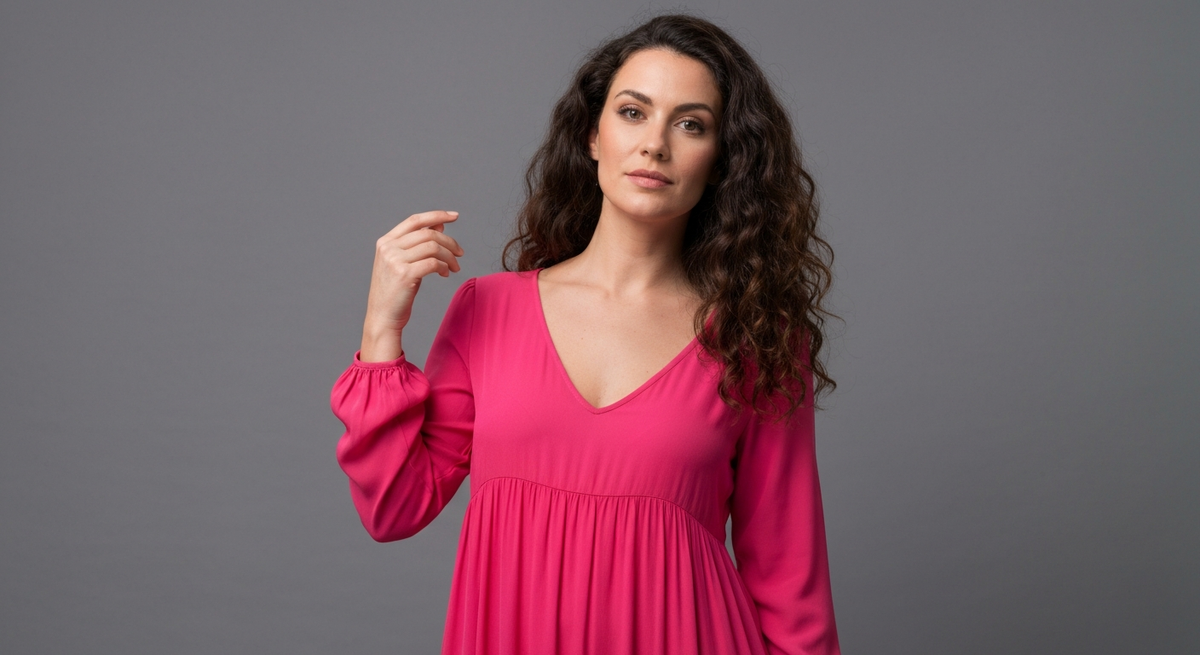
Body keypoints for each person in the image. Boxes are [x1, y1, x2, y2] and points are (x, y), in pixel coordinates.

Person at [330, 13, 841, 655]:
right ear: (592, 135)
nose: (654, 144)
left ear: (721, 162)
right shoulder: (488, 310)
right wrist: (382, 327)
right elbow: (394, 507)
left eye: (690, 124)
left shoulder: (757, 339)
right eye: (633, 112)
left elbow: (792, 590)